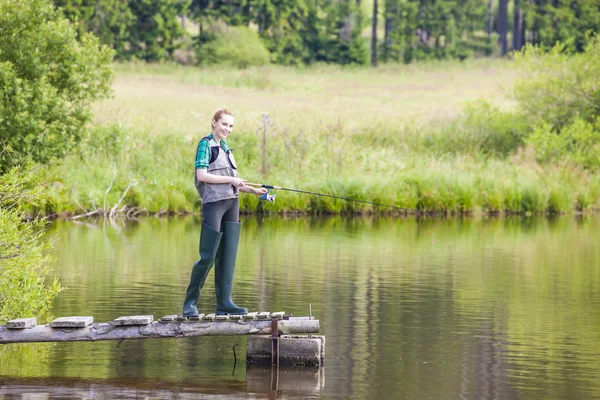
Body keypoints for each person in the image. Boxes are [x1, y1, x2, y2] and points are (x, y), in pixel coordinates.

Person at [182, 109, 267, 317]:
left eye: (230, 126)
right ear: (214, 123)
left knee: (228, 255)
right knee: (208, 256)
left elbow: (232, 180)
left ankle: (225, 303)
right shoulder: (206, 144)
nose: (227, 129)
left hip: (232, 204)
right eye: (224, 124)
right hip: (214, 204)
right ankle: (190, 304)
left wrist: (253, 190)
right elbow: (202, 175)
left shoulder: (227, 148)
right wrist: (231, 180)